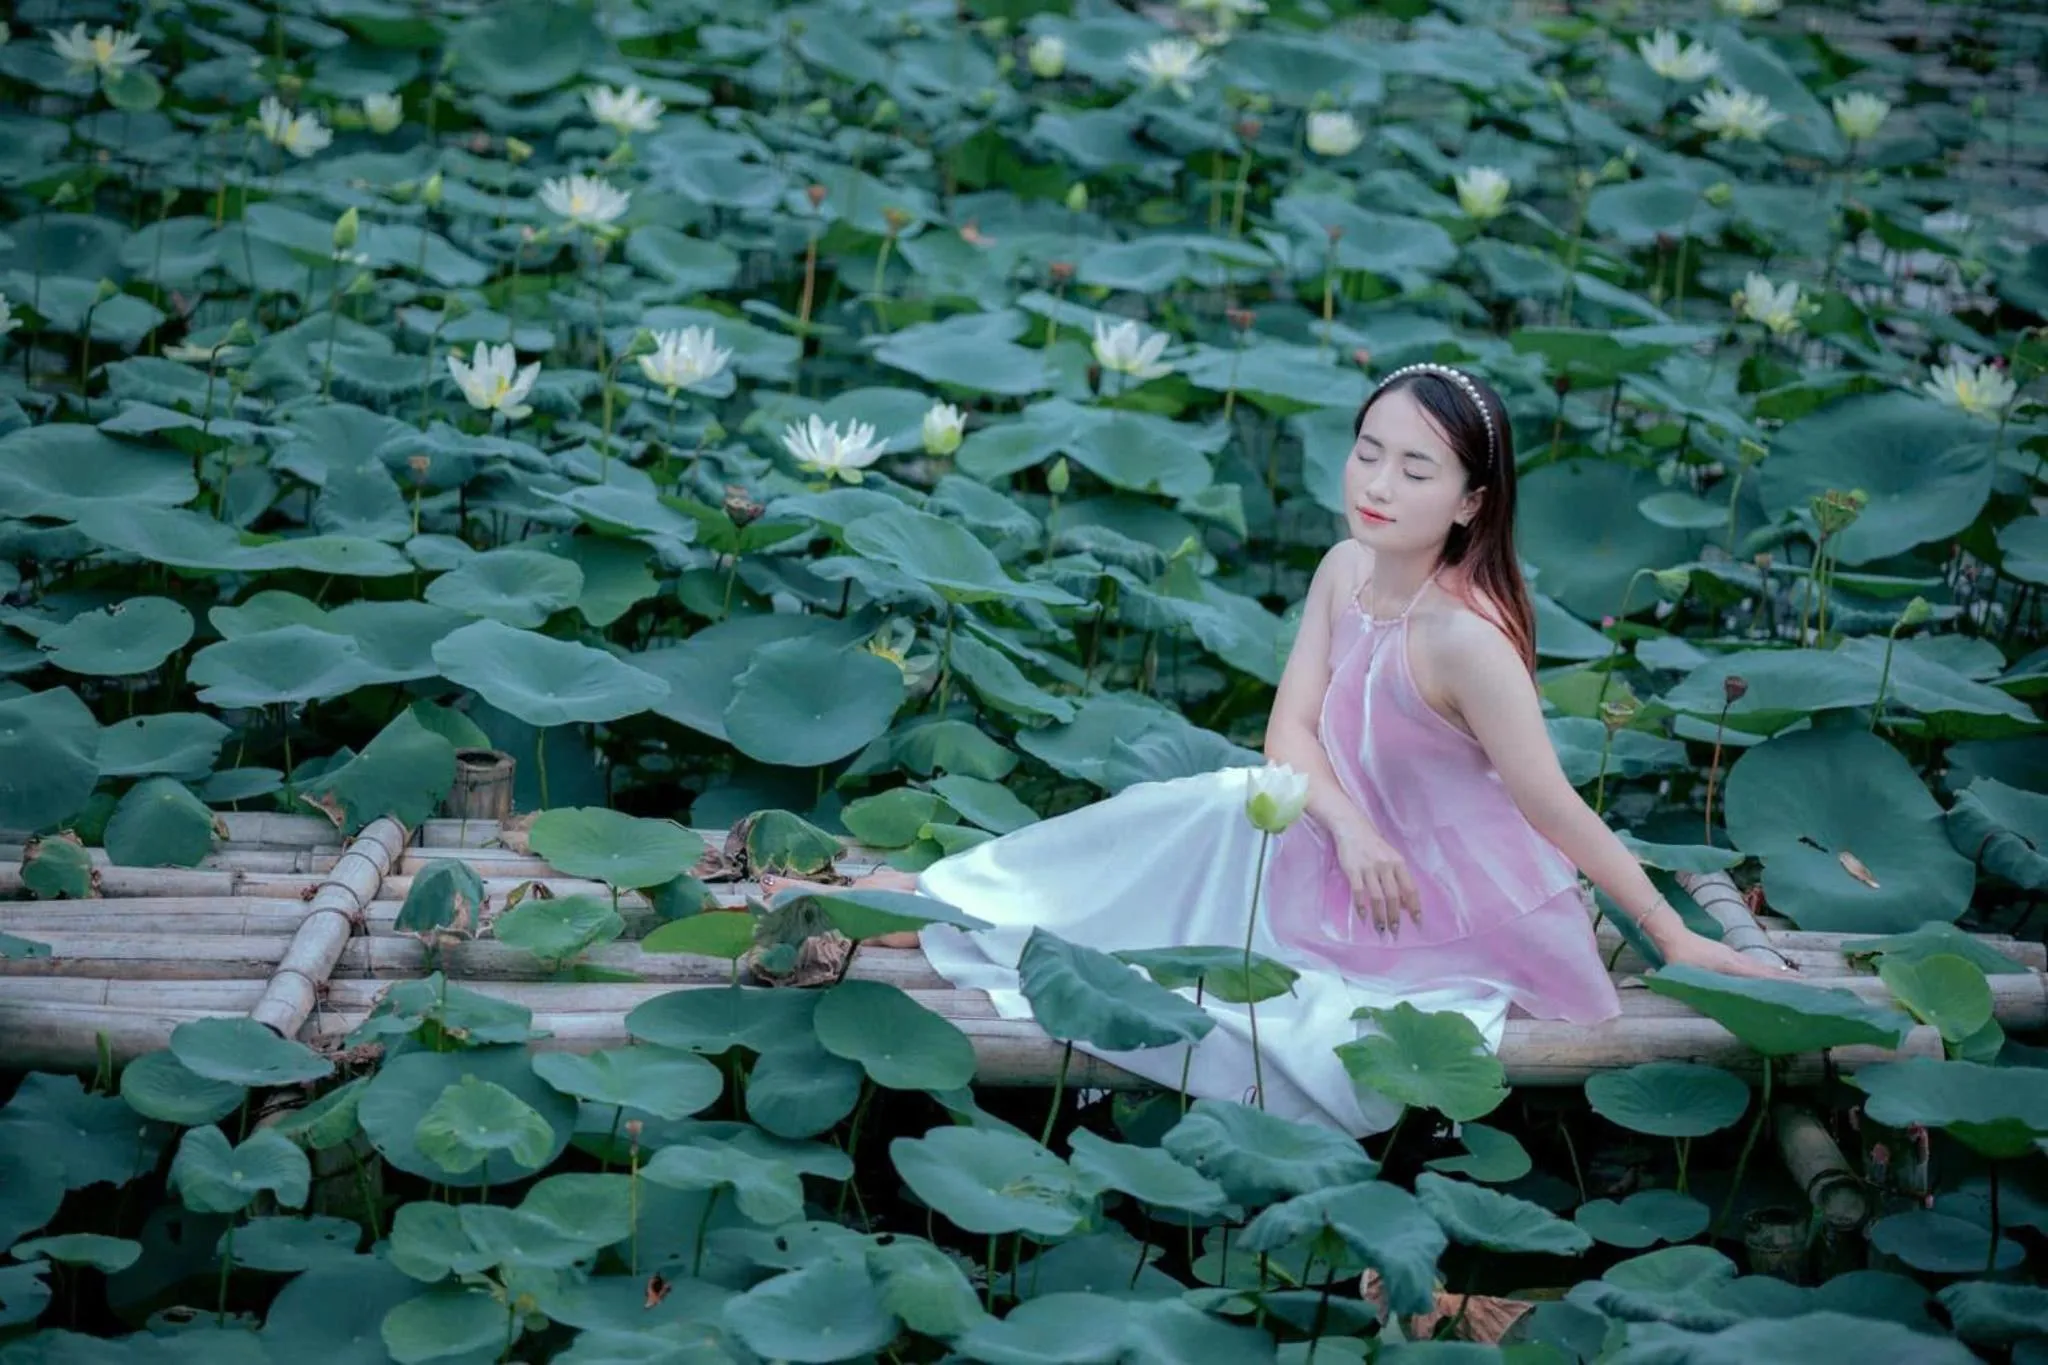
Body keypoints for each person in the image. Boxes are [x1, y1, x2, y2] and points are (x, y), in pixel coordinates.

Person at [761, 363, 1794, 1135]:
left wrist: (1668, 933)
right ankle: (943, 903)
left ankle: (949, 914)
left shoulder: (1465, 640)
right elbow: (1290, 731)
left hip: (1437, 895)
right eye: (1368, 451)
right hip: (1343, 843)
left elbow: (1548, 803)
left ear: (1470, 501)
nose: (1378, 481)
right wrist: (1347, 828)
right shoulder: (1345, 568)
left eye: (1416, 468)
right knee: (1222, 798)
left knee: (1226, 840)